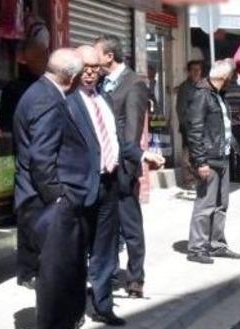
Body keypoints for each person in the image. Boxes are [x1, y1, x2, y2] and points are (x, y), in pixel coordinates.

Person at [68, 45, 164, 327]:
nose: (90, 74)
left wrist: (142, 155)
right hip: (81, 186)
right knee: (76, 251)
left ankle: (102, 305)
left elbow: (118, 141)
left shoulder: (105, 100)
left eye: (95, 69)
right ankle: (73, 312)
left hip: (108, 184)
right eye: (85, 68)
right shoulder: (68, 101)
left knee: (105, 250)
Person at [13, 48, 92, 329]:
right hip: (46, 201)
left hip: (44, 198)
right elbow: (41, 155)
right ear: (70, 76)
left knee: (64, 266)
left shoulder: (39, 92)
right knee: (56, 270)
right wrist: (57, 196)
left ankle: (62, 328)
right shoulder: (47, 99)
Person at [94, 34, 148, 299]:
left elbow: (133, 130)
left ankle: (136, 277)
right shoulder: (102, 83)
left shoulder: (133, 83)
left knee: (130, 225)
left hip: (123, 167)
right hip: (103, 165)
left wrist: (130, 160)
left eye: (97, 54)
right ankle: (110, 270)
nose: (92, 60)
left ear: (109, 56)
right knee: (107, 225)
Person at [0, 39, 49, 290]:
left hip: (29, 159)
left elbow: (5, 122)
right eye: (42, 56)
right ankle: (29, 268)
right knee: (31, 215)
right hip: (32, 160)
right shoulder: (27, 89)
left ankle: (29, 269)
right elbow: (4, 122)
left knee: (30, 215)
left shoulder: (45, 87)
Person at [185, 59, 240, 265]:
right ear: (224, 78)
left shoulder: (218, 95)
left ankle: (217, 244)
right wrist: (200, 161)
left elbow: (222, 125)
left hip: (222, 156)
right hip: (209, 158)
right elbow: (195, 131)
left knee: (221, 204)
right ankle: (197, 248)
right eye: (231, 77)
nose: (232, 80)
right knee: (205, 204)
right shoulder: (202, 95)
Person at [176, 60, 204, 186]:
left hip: (203, 127)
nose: (196, 72)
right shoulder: (184, 87)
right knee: (188, 155)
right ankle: (189, 180)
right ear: (188, 72)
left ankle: (200, 178)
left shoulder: (204, 86)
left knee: (200, 154)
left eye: (198, 70)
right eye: (193, 70)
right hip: (189, 127)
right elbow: (180, 109)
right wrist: (187, 126)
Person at [223, 72, 240, 183]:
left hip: (227, 126)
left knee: (228, 152)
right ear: (237, 78)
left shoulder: (224, 91)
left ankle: (230, 176)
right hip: (239, 125)